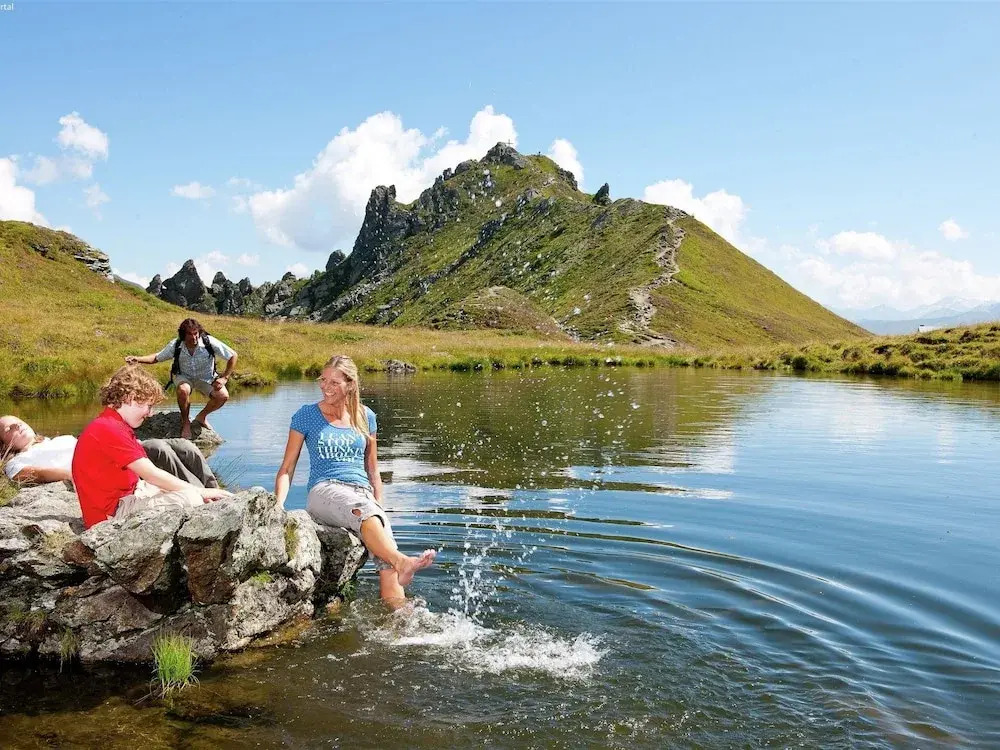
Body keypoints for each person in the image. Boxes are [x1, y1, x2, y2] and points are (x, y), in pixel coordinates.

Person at [274, 354, 435, 606]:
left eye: (334, 382)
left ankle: (400, 619)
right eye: (323, 380)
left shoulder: (366, 416)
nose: (326, 387)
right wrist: (278, 505)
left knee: (386, 559)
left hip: (362, 494)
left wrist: (380, 509)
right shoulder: (306, 415)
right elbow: (287, 468)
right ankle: (403, 561)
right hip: (324, 490)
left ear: (350, 384)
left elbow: (373, 470)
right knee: (375, 528)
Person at [72, 365, 231, 529]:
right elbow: (151, 474)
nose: (151, 413)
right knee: (192, 499)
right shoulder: (109, 429)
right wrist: (201, 492)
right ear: (130, 397)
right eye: (149, 406)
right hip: (112, 513)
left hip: (130, 494)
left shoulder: (113, 424)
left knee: (187, 491)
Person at [1, 415, 219, 489]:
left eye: (18, 421)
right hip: (103, 465)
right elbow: (35, 474)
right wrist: (71, 474)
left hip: (112, 450)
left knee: (184, 446)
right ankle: (201, 497)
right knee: (158, 448)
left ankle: (215, 491)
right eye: (9, 428)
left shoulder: (56, 439)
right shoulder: (15, 462)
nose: (17, 426)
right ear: (3, 444)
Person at [125, 317, 238, 439]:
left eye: (196, 333)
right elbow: (156, 358)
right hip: (184, 376)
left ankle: (201, 417)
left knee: (223, 396)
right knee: (183, 390)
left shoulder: (209, 342)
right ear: (183, 335)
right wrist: (138, 359)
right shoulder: (176, 344)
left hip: (206, 378)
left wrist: (224, 378)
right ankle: (185, 422)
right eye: (190, 334)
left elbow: (233, 355)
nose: (194, 337)